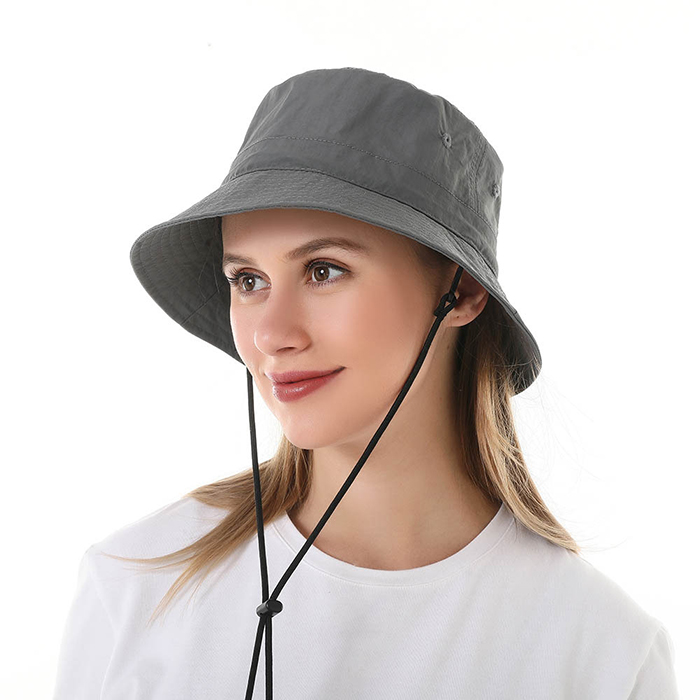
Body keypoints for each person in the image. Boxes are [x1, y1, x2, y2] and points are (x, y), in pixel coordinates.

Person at [52, 67, 679, 699]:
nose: (271, 334)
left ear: (460, 291)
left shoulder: (605, 655)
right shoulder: (134, 587)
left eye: (324, 270)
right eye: (248, 280)